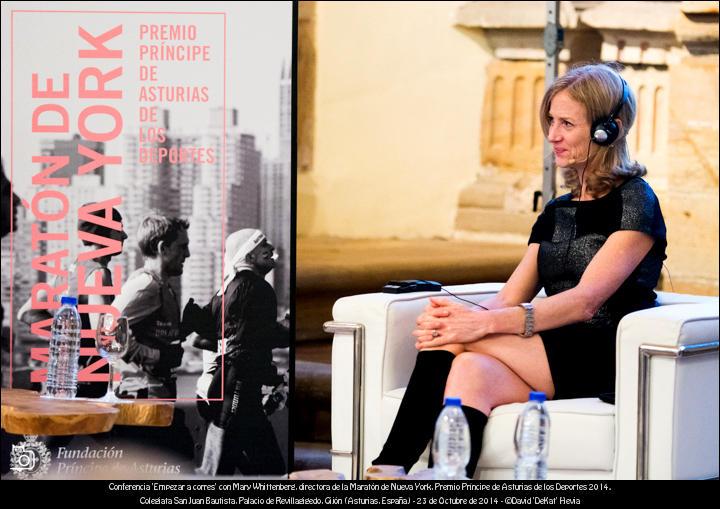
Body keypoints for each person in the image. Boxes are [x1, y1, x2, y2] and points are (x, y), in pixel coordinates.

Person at [372, 62, 667, 478]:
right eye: (551, 121)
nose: (553, 135)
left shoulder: (636, 200)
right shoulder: (557, 210)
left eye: (567, 123)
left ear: (608, 129)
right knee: (470, 368)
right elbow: (511, 295)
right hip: (549, 348)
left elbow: (585, 303)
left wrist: (476, 326)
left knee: (456, 340)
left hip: (605, 352)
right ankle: (446, 478)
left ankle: (386, 469)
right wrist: (456, 319)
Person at [186, 228, 289, 475]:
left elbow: (201, 338)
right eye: (263, 244)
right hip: (239, 399)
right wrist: (286, 332)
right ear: (249, 256)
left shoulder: (225, 289)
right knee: (271, 472)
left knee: (219, 470)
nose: (271, 248)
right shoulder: (258, 288)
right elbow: (248, 345)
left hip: (221, 393)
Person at [17, 202, 127, 398]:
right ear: (104, 233)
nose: (124, 236)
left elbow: (25, 312)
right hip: (90, 386)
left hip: (65, 379)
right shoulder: (99, 274)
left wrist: (65, 335)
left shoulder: (69, 272)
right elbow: (104, 339)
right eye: (119, 229)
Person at [112, 214, 189, 399]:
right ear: (163, 248)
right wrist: (157, 356)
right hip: (142, 397)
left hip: (157, 393)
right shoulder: (146, 285)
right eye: (182, 247)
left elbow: (157, 335)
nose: (187, 254)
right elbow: (107, 333)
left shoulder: (162, 286)